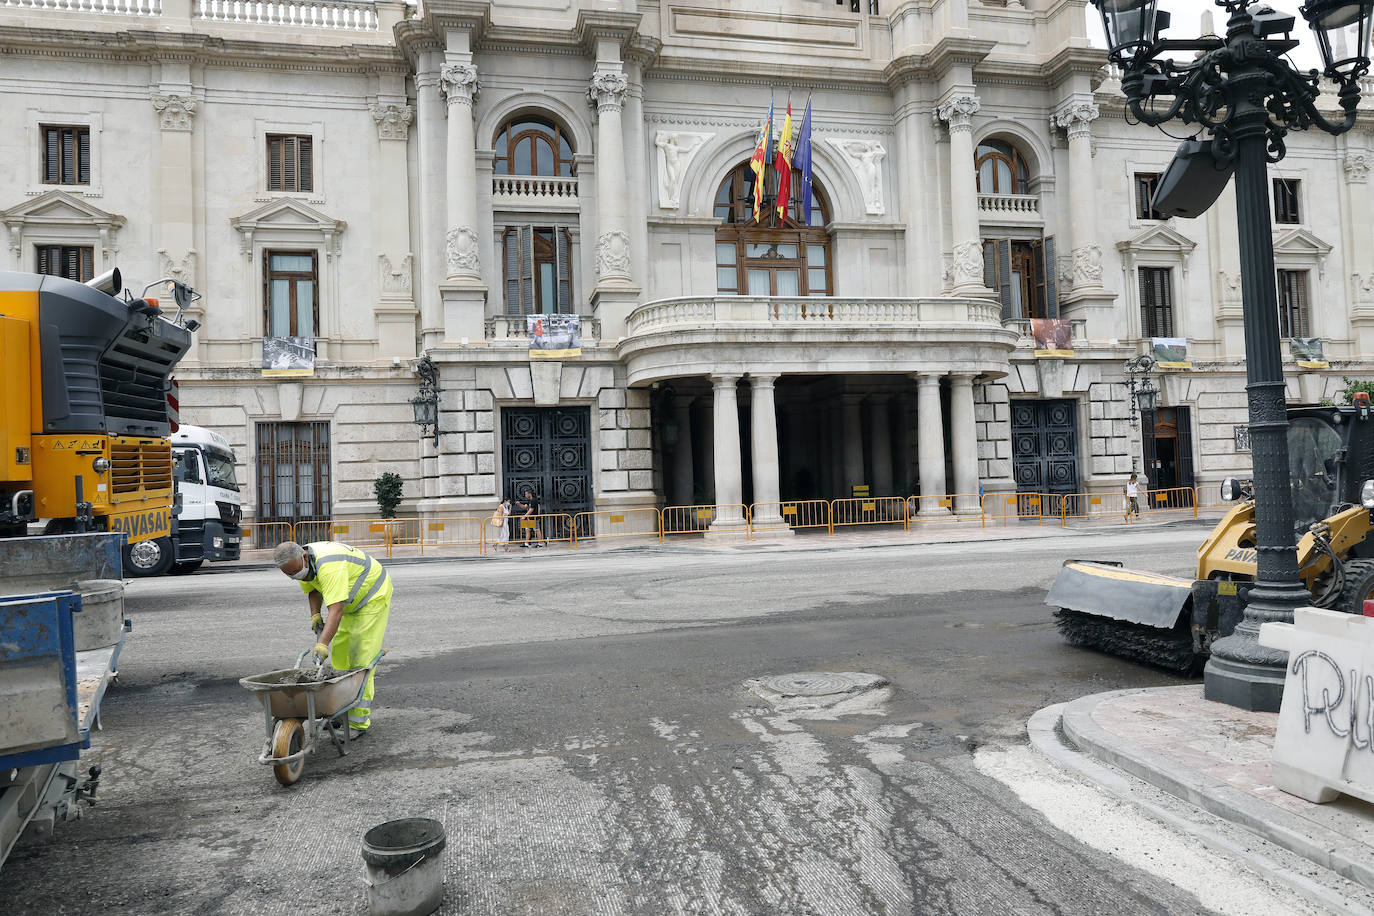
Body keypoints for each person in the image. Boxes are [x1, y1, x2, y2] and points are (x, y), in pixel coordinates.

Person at [272, 540, 392, 739]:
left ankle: (357, 722)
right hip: (349, 602)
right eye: (289, 575)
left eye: (294, 571)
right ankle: (340, 711)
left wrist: (322, 644)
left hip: (371, 598)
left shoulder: (329, 566)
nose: (294, 576)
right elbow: (312, 589)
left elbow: (335, 611)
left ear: (303, 557)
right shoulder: (303, 563)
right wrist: (315, 615)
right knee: (340, 658)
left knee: (360, 660)